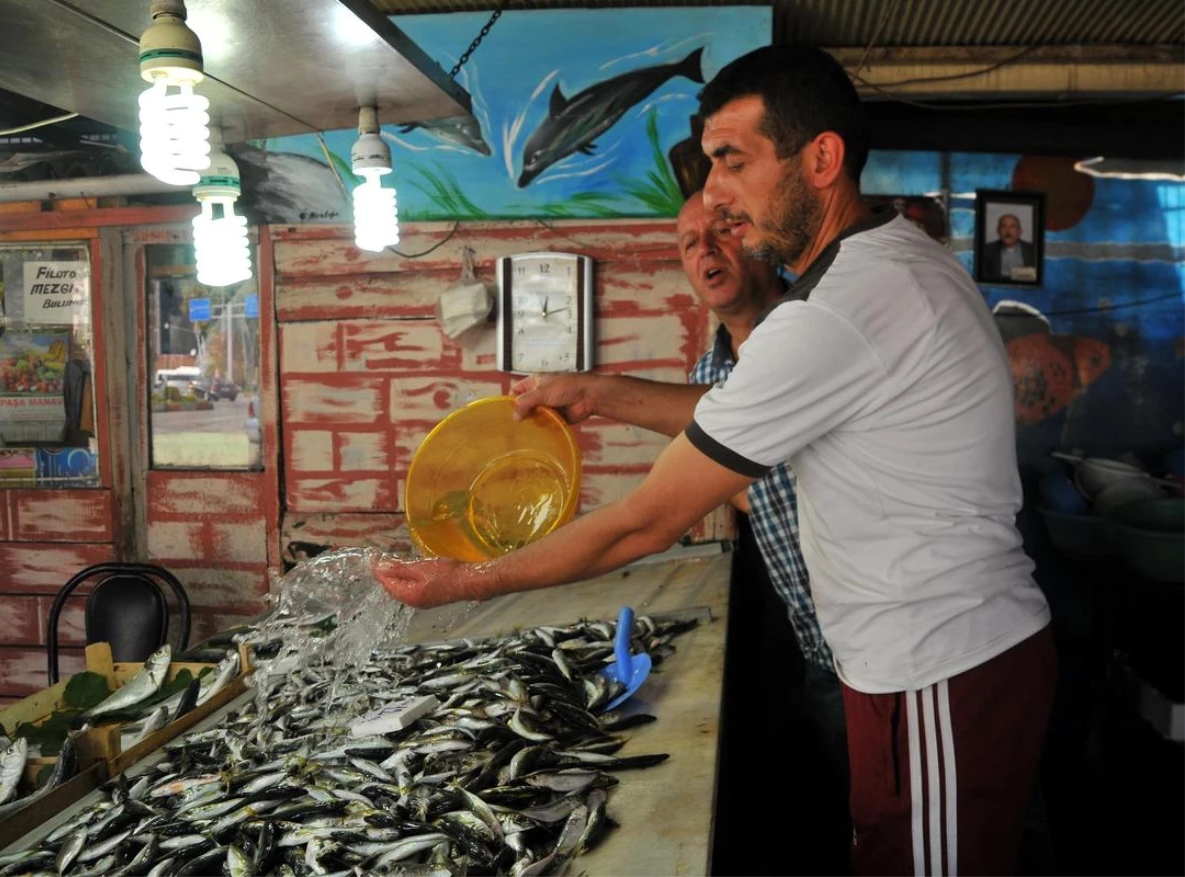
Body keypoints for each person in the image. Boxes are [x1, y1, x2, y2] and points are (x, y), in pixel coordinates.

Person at [376, 45, 1055, 877]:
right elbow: (737, 415)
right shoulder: (885, 266)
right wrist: (600, 392)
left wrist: (469, 582)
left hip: (939, 667)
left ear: (822, 158)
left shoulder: (837, 311)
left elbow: (646, 521)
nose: (718, 193)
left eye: (732, 162)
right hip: (923, 665)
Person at [500, 191, 852, 872]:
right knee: (834, 817)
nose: (705, 252)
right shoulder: (708, 373)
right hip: (814, 640)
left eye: (722, 230)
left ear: (760, 239)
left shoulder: (814, 335)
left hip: (877, 646)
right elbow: (742, 484)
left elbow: (659, 516)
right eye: (689, 243)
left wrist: (596, 395)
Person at [982, 212, 1036, 280]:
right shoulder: (987, 250)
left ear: (1020, 231)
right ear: (998, 231)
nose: (1008, 231)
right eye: (1004, 226)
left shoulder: (1032, 250)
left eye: (1012, 226)